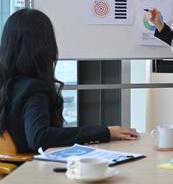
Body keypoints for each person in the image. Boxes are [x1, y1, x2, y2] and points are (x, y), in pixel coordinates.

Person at [0, 9, 140, 153]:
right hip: (30, 170)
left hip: (8, 171)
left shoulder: (7, 84)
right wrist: (105, 131)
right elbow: (39, 137)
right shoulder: (33, 89)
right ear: (44, 46)